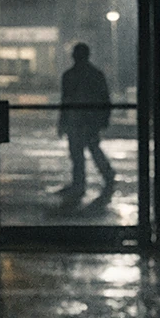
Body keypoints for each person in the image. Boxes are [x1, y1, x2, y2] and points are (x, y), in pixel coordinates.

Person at [58, 42, 115, 200]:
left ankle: (79, 183)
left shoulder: (69, 75)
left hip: (76, 120)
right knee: (93, 149)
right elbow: (105, 98)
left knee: (77, 154)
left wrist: (62, 123)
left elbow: (66, 101)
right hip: (90, 120)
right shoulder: (96, 74)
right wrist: (104, 118)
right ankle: (107, 175)